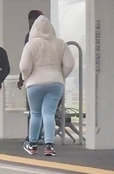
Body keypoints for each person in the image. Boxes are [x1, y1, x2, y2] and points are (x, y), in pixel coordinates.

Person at [19, 15, 75, 157]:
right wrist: (60, 75)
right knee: (49, 113)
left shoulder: (31, 45)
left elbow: (24, 67)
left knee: (35, 114)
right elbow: (70, 64)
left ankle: (32, 144)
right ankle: (49, 145)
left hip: (34, 84)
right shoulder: (60, 44)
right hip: (56, 83)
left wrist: (26, 78)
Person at [16, 9, 46, 90]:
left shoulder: (29, 37)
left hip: (34, 77)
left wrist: (21, 77)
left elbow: (25, 58)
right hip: (44, 76)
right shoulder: (49, 37)